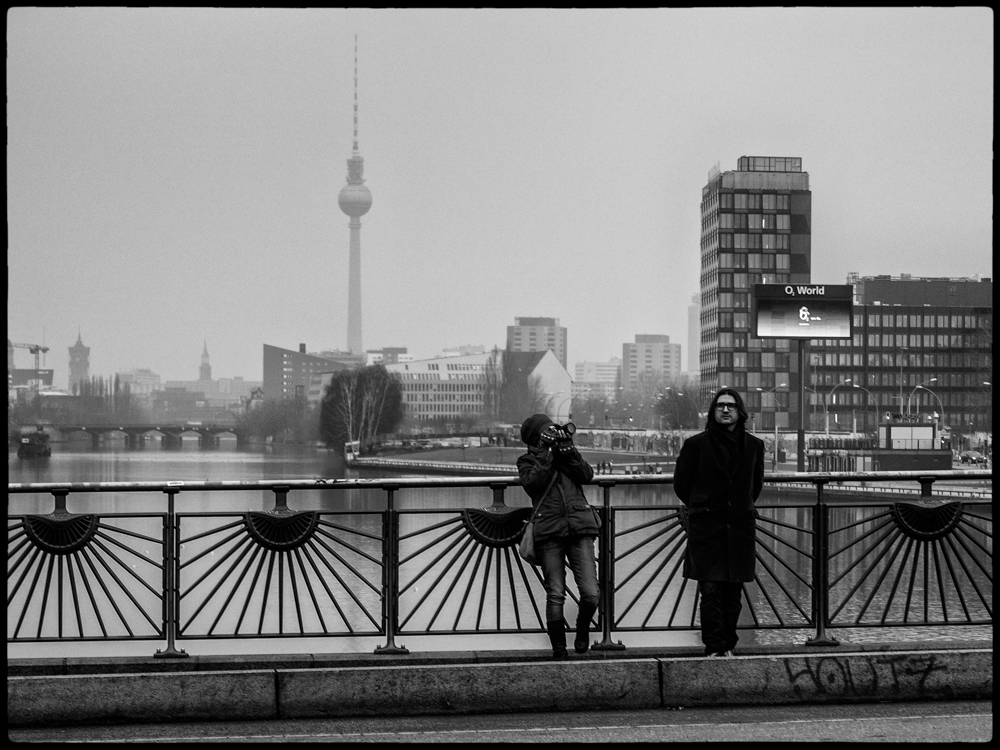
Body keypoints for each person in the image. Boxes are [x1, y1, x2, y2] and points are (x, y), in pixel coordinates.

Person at [673, 388, 765, 657]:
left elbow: (755, 486)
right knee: (710, 589)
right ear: (713, 411)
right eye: (721, 406)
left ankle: (729, 645)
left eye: (732, 406)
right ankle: (714, 646)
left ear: (740, 412)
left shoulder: (754, 447)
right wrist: (702, 504)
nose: (726, 410)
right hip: (707, 527)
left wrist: (738, 504)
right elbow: (681, 485)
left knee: (733, 591)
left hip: (739, 527)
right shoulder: (695, 445)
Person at [517, 413, 600, 660]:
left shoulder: (565, 454)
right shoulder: (527, 460)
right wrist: (545, 454)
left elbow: (587, 475)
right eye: (548, 432)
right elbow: (532, 484)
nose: (554, 435)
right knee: (555, 592)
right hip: (549, 530)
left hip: (579, 526)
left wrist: (569, 451)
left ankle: (583, 627)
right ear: (536, 438)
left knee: (591, 592)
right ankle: (559, 650)